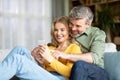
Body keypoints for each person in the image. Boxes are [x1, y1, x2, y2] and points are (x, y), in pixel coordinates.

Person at [0, 16, 82, 80]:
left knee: (17, 60)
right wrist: (38, 59)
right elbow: (44, 70)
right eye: (56, 30)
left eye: (62, 30)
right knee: (19, 49)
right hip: (47, 75)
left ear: (69, 31)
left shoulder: (74, 48)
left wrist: (50, 59)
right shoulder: (51, 47)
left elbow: (70, 73)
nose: (58, 33)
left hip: (59, 78)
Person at [52, 5, 109, 80]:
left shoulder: (97, 34)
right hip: (76, 72)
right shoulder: (68, 32)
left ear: (88, 24)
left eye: (78, 26)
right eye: (71, 24)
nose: (73, 28)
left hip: (96, 73)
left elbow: (93, 58)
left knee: (79, 64)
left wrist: (66, 55)